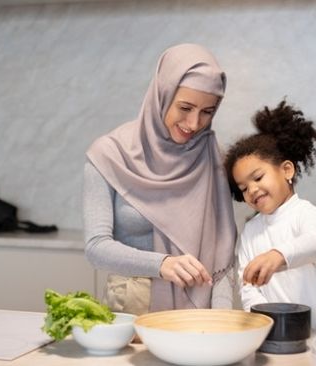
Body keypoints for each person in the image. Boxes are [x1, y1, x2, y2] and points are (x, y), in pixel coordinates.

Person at [83, 44, 237, 314]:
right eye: (185, 107)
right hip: (131, 309)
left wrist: (221, 317)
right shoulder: (109, 154)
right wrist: (162, 263)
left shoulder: (210, 156)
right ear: (162, 95)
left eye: (207, 112)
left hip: (197, 316)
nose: (193, 123)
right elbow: (96, 247)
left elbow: (223, 255)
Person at [223, 100, 316, 330]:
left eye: (258, 178)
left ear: (287, 170)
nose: (251, 190)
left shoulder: (307, 214)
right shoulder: (251, 232)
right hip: (277, 333)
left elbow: (315, 243)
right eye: (243, 188)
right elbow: (247, 286)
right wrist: (265, 319)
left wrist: (278, 255)